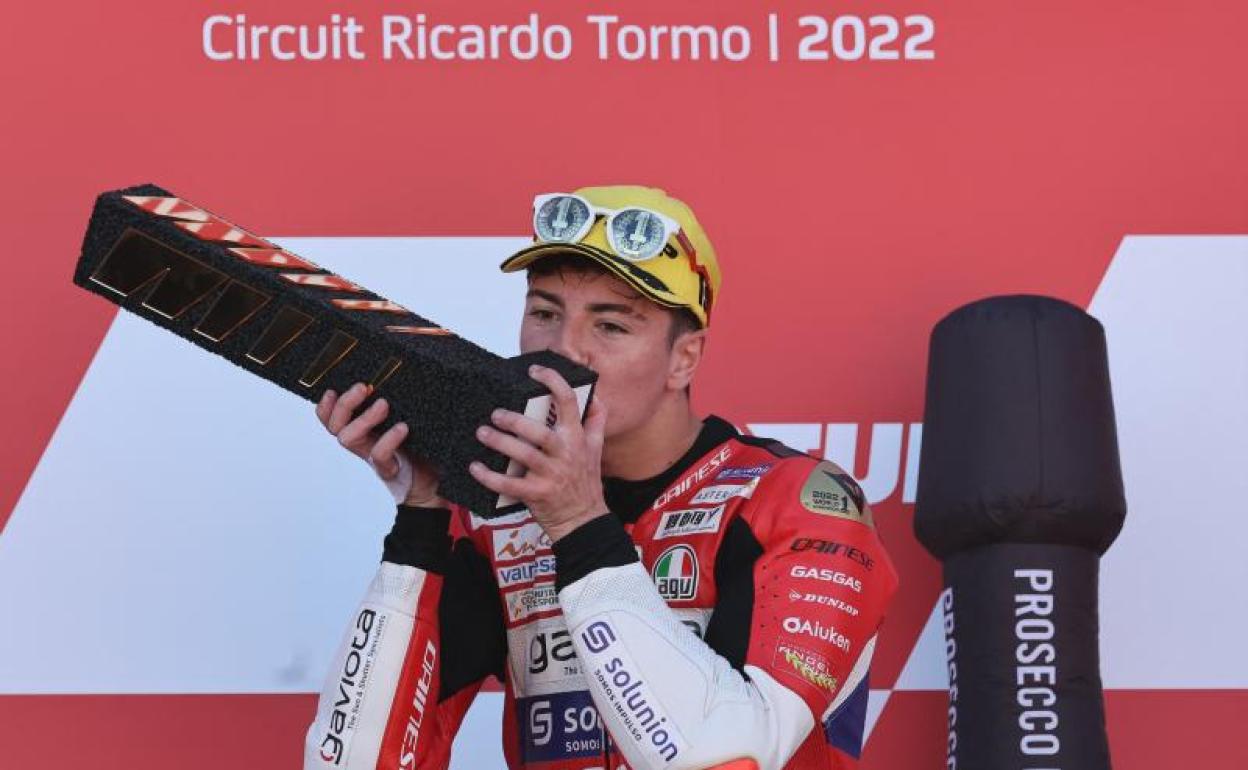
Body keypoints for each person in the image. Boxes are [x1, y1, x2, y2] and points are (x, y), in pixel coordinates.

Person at [304, 186, 898, 770]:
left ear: (684, 359)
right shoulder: (498, 519)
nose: (565, 350)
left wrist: (579, 525)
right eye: (544, 314)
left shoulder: (793, 504)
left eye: (610, 326)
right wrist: (422, 517)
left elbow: (727, 758)